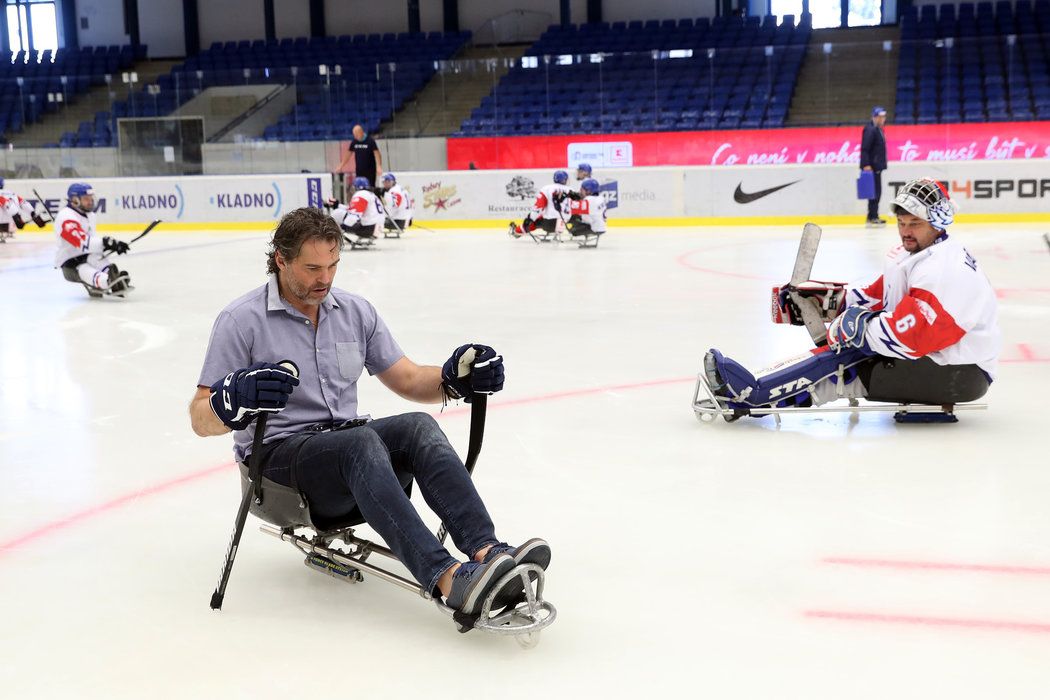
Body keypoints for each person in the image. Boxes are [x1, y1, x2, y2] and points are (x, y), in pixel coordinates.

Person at [188, 207, 551, 617]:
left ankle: (487, 550)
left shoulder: (354, 312)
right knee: (359, 442)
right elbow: (200, 417)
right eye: (311, 268)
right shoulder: (242, 320)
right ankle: (449, 579)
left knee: (417, 426)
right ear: (280, 260)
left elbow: (410, 378)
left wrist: (457, 378)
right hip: (277, 466)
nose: (324, 279)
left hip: (346, 451)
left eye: (332, 265)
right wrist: (231, 398)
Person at [704, 177, 999, 416]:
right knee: (851, 350)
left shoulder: (942, 271)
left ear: (937, 222)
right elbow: (877, 295)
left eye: (915, 224)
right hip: (943, 361)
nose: (905, 232)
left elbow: (911, 338)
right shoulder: (919, 254)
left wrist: (855, 328)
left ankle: (752, 396)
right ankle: (759, 392)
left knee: (848, 361)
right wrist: (822, 301)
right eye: (902, 222)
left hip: (960, 374)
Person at [53, 182, 132, 298]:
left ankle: (112, 276)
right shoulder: (66, 218)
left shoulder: (90, 215)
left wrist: (113, 245)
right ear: (75, 200)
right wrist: (107, 243)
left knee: (97, 258)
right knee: (84, 268)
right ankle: (107, 281)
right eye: (86, 199)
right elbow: (82, 242)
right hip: (70, 263)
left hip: (86, 255)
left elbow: (91, 243)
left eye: (91, 198)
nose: (90, 201)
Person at [508, 170, 576, 238]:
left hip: (549, 224)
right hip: (564, 223)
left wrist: (530, 219)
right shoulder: (571, 190)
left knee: (535, 219)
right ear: (564, 180)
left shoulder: (547, 189)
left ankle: (517, 231)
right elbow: (575, 207)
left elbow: (538, 207)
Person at [326, 177, 385, 244]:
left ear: (356, 186)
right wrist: (337, 205)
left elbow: (354, 214)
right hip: (376, 228)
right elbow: (353, 209)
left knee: (337, 213)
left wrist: (343, 227)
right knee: (341, 212)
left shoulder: (360, 194)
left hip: (368, 228)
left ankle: (328, 237)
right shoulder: (371, 195)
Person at [861, 106, 888, 227]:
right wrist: (866, 164)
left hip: (877, 166)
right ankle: (873, 216)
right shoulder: (870, 130)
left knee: (876, 192)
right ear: (875, 117)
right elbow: (865, 149)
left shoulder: (878, 129)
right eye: (880, 117)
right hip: (871, 167)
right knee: (874, 192)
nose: (883, 119)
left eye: (884, 117)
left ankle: (871, 216)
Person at [337, 125, 382, 197]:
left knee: (370, 190)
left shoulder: (370, 141)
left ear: (361, 132)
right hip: (359, 171)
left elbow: (377, 154)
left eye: (356, 134)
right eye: (354, 134)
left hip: (370, 171)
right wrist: (341, 165)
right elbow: (348, 154)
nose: (355, 136)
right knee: (359, 190)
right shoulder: (354, 142)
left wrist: (379, 166)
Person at [0, 177, 47, 242]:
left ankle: (3, 233)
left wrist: (16, 217)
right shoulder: (11, 193)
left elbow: (6, 203)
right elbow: (25, 204)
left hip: (5, 221)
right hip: (11, 222)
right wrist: (34, 215)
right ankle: (8, 232)